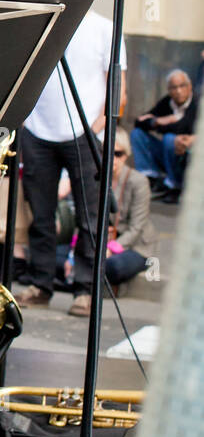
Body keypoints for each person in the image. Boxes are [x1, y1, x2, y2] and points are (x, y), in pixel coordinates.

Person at [14, 7, 126, 309]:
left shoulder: (105, 28)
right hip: (37, 134)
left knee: (88, 218)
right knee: (41, 216)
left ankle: (85, 290)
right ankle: (41, 284)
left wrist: (94, 131)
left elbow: (117, 93)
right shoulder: (42, 23)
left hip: (85, 134)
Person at [69, 127, 156, 317]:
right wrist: (72, 251)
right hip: (98, 244)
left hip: (131, 246)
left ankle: (92, 282)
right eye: (105, 152)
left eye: (117, 154)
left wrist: (110, 248)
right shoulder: (95, 178)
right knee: (59, 259)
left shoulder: (138, 181)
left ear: (126, 156)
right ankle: (90, 281)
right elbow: (84, 220)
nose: (112, 159)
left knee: (111, 266)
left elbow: (137, 227)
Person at [130, 69, 195, 204]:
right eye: (173, 87)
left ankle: (175, 185)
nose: (178, 91)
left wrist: (163, 122)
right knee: (137, 134)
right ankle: (152, 177)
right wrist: (157, 121)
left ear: (190, 87)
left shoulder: (197, 102)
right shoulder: (167, 102)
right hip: (170, 154)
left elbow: (182, 126)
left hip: (189, 157)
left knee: (169, 138)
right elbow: (140, 122)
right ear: (168, 90)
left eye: (182, 86)